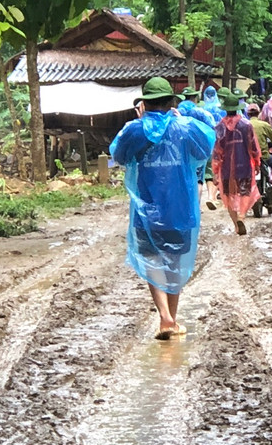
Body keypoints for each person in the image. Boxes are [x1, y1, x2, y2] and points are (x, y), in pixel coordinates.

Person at [109, 77, 216, 340]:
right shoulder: (186, 127)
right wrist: (179, 121)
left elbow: (119, 156)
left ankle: (165, 318)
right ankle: (172, 319)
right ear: (171, 102)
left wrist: (141, 123)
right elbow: (206, 148)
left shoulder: (134, 130)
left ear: (144, 103)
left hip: (147, 213)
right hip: (180, 210)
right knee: (175, 264)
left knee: (152, 261)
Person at [211, 88, 261, 234]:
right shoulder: (246, 125)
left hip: (226, 167)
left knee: (228, 195)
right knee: (245, 192)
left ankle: (236, 225)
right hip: (244, 165)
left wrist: (215, 170)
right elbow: (253, 146)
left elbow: (217, 150)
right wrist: (257, 162)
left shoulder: (220, 126)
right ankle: (241, 216)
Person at [178, 86, 217, 209]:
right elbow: (212, 129)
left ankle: (185, 205)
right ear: (194, 98)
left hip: (181, 149)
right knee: (199, 179)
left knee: (184, 176)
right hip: (200, 149)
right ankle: (196, 207)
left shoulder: (176, 112)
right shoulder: (201, 112)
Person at [247, 103, 272, 198]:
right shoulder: (263, 125)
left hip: (246, 158)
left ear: (248, 114)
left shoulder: (243, 125)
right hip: (263, 156)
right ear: (258, 113)